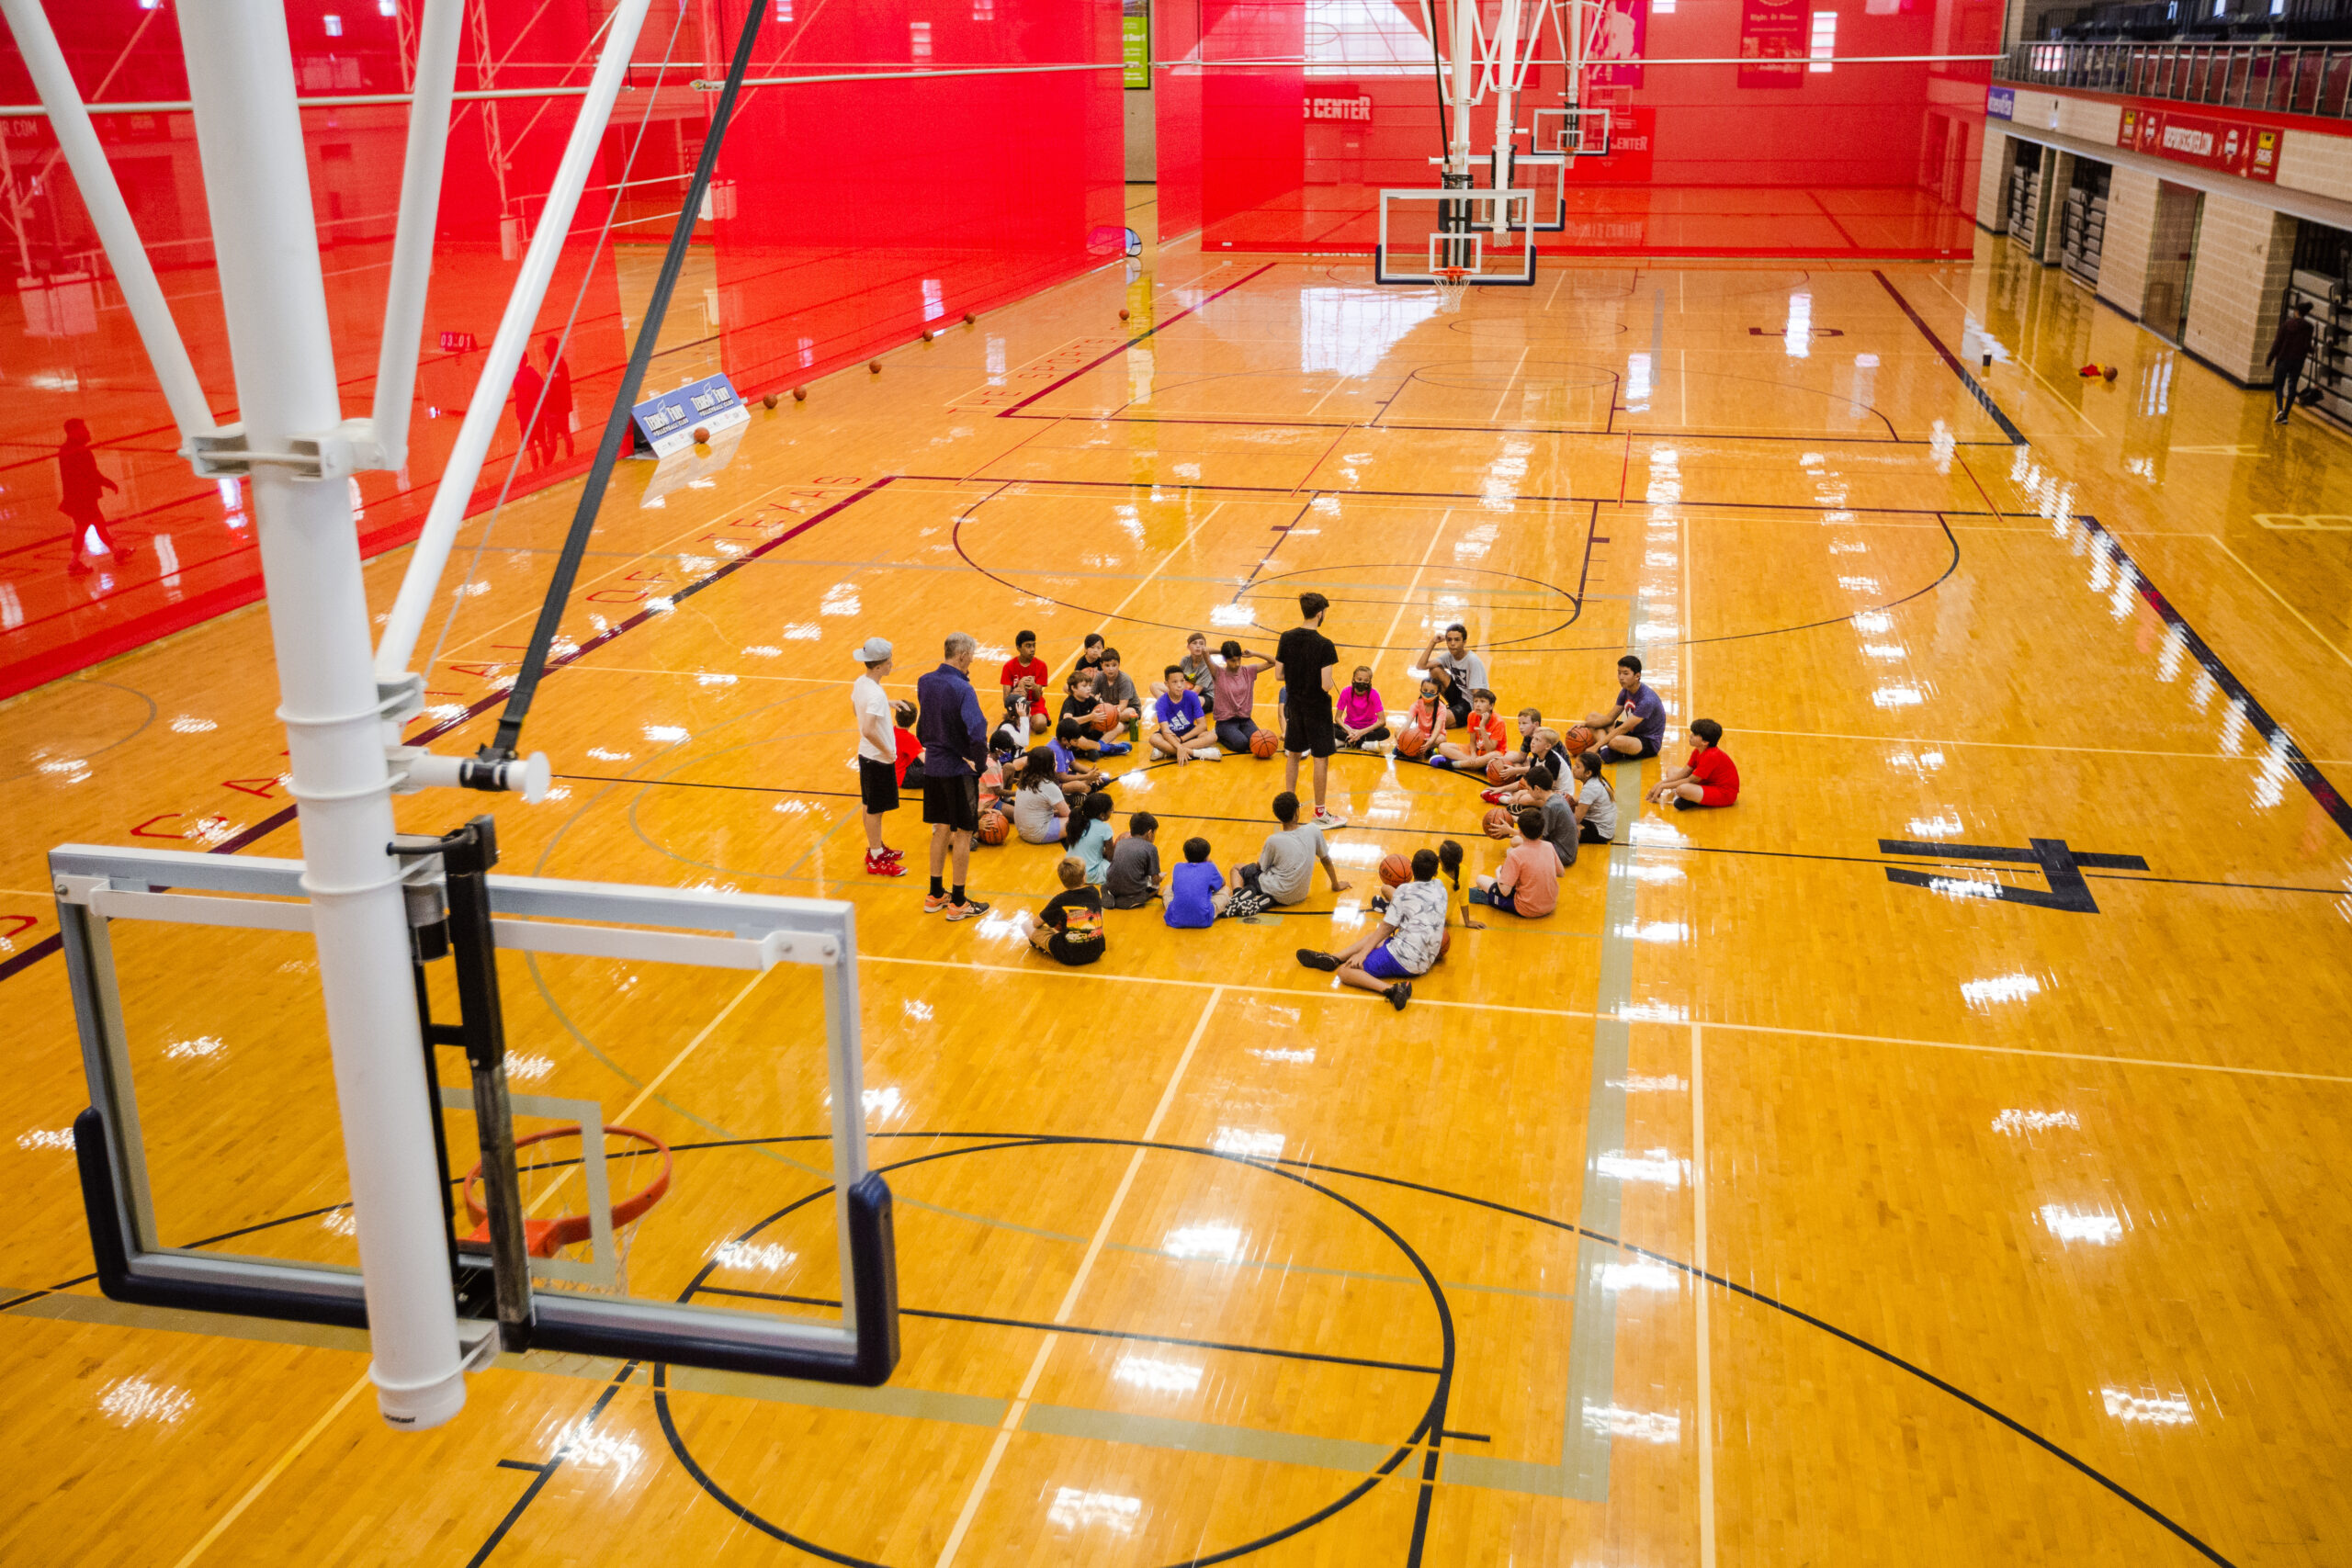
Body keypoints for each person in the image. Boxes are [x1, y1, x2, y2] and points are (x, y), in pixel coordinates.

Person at [1295, 846, 1448, 1010]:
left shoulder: (1404, 891)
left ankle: (1393, 990)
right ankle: (1334, 958)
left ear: (1411, 869)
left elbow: (1386, 927)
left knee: (1345, 972)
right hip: (1427, 958)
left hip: (1405, 959)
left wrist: (1362, 954)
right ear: (1436, 873)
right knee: (1374, 939)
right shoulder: (1440, 887)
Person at [915, 632, 992, 919]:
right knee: (963, 834)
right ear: (961, 656)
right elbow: (977, 729)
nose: (972, 661)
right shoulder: (963, 689)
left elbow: (924, 725)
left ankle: (935, 895)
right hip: (959, 770)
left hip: (933, 767)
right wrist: (981, 763)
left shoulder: (925, 681)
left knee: (940, 829)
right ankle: (958, 902)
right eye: (971, 656)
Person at [1276, 592, 1347, 829]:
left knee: (1293, 755)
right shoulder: (1324, 645)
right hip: (1317, 707)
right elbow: (1326, 684)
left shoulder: (1286, 638)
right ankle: (1320, 813)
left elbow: (1278, 675)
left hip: (1294, 705)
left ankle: (1289, 809)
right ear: (1320, 613)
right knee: (1320, 759)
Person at [1226, 790, 1350, 918]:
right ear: (1297, 812)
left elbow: (1260, 867)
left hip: (1278, 889)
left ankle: (1237, 898)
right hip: (1300, 895)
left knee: (1237, 868)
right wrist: (1335, 884)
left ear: (1277, 816)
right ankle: (1268, 899)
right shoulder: (1313, 830)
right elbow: (1326, 860)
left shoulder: (1273, 840)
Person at [850, 637, 905, 878]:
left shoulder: (862, 683)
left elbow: (856, 709)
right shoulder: (874, 695)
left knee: (868, 804)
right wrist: (887, 751)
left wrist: (887, 703)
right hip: (877, 757)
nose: (892, 663)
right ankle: (875, 856)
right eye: (889, 661)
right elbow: (869, 730)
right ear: (880, 666)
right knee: (876, 810)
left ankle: (877, 848)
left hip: (866, 754)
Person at [57, 420, 130, 576]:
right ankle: (74, 563)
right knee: (82, 529)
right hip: (82, 498)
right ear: (74, 432)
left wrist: (105, 482)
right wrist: (106, 482)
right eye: (83, 429)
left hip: (81, 497)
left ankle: (115, 551)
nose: (87, 432)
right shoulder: (76, 452)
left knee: (98, 524)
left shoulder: (68, 450)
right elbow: (89, 474)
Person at [1472, 809, 1560, 919]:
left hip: (1526, 909)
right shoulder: (1549, 846)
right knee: (1514, 880)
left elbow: (1504, 892)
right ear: (1541, 831)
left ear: (1520, 832)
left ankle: (1487, 897)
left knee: (1480, 879)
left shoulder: (1515, 854)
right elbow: (1561, 872)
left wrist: (1498, 874)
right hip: (1550, 904)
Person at [1583, 654, 1666, 763]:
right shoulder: (1625, 691)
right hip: (1632, 732)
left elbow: (1624, 728)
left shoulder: (1647, 700)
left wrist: (1596, 745)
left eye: (1625, 673)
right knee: (1592, 717)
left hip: (1647, 742)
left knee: (1615, 741)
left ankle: (1610, 749)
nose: (1621, 677)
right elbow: (1609, 719)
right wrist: (1584, 725)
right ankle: (1606, 752)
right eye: (1619, 673)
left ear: (1637, 676)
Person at [1027, 857, 1106, 966]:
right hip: (1097, 951)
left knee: (1026, 925)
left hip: (1070, 955)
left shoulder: (1059, 900)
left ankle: (1044, 944)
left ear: (1063, 881)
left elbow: (1036, 923)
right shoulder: (1094, 892)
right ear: (1084, 878)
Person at [1647, 718, 1740, 810]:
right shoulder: (1698, 751)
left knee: (1682, 789)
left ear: (1705, 742)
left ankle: (1687, 797)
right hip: (1708, 783)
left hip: (1724, 794)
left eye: (1695, 734)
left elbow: (1691, 781)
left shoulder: (1711, 756)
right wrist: (1661, 783)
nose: (1690, 736)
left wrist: (1663, 786)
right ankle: (1687, 798)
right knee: (1672, 770)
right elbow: (1684, 773)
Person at [1209, 639, 1275, 754]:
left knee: (1258, 742)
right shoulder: (1218, 673)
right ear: (1225, 659)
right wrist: (1224, 651)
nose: (1237, 663)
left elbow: (1273, 662)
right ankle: (1218, 733)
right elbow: (1205, 651)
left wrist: (1254, 653)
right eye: (1233, 660)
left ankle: (1233, 733)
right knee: (1242, 745)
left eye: (1239, 659)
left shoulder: (1248, 671)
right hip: (1225, 721)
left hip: (1245, 719)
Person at [1420, 624, 1488, 725]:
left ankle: (1459, 717)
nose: (1452, 643)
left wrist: (1477, 716)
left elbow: (1477, 693)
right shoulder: (1449, 656)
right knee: (1434, 670)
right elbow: (1421, 666)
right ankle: (1451, 710)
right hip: (1458, 696)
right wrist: (1433, 642)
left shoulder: (1472, 661)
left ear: (1464, 642)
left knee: (1435, 720)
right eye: (1449, 640)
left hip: (1470, 703)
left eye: (1457, 640)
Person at [1488, 725, 1566, 810]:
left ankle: (1505, 799)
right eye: (1533, 738)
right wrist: (1501, 789)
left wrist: (1526, 792)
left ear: (1547, 746)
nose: (1532, 742)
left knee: (1524, 798)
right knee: (1521, 792)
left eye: (1537, 740)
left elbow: (1549, 789)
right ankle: (1508, 797)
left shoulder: (1553, 761)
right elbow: (1524, 781)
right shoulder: (1537, 758)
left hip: (1562, 796)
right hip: (1547, 791)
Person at [1151, 666, 1220, 762]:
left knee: (1212, 736)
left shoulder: (1192, 696)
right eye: (1174, 682)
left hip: (1188, 733)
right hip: (1171, 736)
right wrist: (1178, 745)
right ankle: (1198, 753)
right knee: (1154, 739)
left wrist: (1181, 740)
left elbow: (1202, 725)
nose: (1179, 685)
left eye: (1182, 681)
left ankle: (1166, 752)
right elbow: (1165, 731)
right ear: (1166, 684)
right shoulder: (1161, 702)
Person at [1433, 688, 1508, 770]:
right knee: (1442, 747)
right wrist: (1473, 754)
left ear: (1491, 706)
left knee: (1495, 755)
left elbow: (1490, 749)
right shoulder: (1472, 715)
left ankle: (1454, 764)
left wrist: (1482, 727)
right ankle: (1478, 765)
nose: (1478, 705)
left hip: (1492, 753)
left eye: (1482, 701)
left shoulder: (1499, 722)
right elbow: (1472, 742)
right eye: (1476, 701)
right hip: (1477, 751)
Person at [1012, 746, 1072, 843]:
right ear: (1048, 766)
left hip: (1022, 831)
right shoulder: (1049, 786)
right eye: (1054, 761)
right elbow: (1068, 814)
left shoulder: (1025, 779)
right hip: (1038, 834)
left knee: (1059, 813)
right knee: (1079, 822)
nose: (1057, 763)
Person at [2269, 299, 2315, 423]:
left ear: (2296, 312)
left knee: (2279, 386)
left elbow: (2277, 343)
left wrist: (2270, 358)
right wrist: (2313, 350)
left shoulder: (2286, 325)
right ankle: (2286, 414)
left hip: (2283, 359)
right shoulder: (2309, 327)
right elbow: (2307, 346)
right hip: (2298, 361)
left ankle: (2279, 410)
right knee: (2292, 387)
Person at [1105, 810, 1163, 909]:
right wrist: (1161, 877)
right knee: (1156, 888)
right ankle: (1134, 899)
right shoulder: (1151, 848)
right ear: (1149, 833)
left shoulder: (1121, 842)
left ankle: (1111, 895)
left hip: (1112, 886)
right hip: (1134, 890)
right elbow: (1155, 880)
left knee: (1106, 885)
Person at [1000, 630, 1051, 735]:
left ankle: (1025, 719)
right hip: (1017, 705)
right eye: (1028, 646)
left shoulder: (1041, 666)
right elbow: (1006, 700)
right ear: (1018, 647)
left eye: (1033, 645)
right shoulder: (1008, 666)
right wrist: (1019, 690)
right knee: (1007, 731)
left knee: (1040, 725)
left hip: (1035, 703)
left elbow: (1037, 697)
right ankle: (1021, 718)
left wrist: (1034, 687)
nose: (1032, 649)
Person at [1165, 836, 1223, 927]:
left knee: (1167, 889)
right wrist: (1211, 862)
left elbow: (1174, 889)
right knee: (1225, 890)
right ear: (1207, 857)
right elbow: (1222, 883)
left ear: (1185, 855)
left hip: (1176, 918)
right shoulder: (1209, 867)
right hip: (1203, 919)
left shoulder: (1178, 866)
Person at [1333, 667, 1391, 752]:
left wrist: (1361, 733)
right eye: (1359, 679)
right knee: (1327, 726)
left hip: (1368, 729)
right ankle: (1363, 744)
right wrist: (1349, 731)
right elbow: (1337, 718)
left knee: (1385, 732)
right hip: (1350, 728)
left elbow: (1382, 721)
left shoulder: (1374, 694)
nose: (1362, 682)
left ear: (1370, 682)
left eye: (1366, 680)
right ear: (1353, 679)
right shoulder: (1346, 691)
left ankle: (1346, 741)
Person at [1048, 718, 1109, 797]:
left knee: (1103, 779)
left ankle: (1083, 791)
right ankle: (1077, 793)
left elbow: (1073, 764)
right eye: (1075, 741)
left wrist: (1092, 772)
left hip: (1062, 778)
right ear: (1064, 739)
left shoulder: (1066, 745)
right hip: (1054, 784)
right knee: (1079, 786)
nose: (1077, 744)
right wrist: (1087, 776)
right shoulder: (1056, 750)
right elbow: (1063, 778)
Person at [538, 334, 575, 462]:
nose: (544, 349)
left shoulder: (557, 364)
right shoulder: (553, 362)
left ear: (553, 348)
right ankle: (569, 460)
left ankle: (550, 466)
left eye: (547, 346)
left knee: (557, 439)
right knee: (564, 436)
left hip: (556, 410)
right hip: (558, 408)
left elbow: (556, 389)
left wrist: (547, 407)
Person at [1094, 649, 1145, 739]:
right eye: (1107, 665)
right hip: (1110, 710)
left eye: (1114, 665)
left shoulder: (1124, 680)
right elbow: (1090, 696)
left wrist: (1106, 714)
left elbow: (1123, 705)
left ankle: (1108, 723)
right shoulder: (1099, 677)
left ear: (1119, 665)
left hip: (1126, 710)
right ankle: (1112, 723)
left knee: (1130, 713)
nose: (1111, 669)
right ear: (1101, 665)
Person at [1568, 749, 1616, 843]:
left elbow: (1577, 819)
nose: (1573, 768)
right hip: (1600, 824)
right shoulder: (1597, 779)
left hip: (1601, 831)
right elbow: (1581, 800)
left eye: (1577, 767)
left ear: (1588, 773)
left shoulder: (1591, 788)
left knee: (1563, 832)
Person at [1069, 789, 1117, 883]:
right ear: (1102, 815)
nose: (1112, 812)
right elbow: (1111, 857)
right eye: (1111, 810)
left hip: (1070, 871)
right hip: (1089, 874)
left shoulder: (1078, 821)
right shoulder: (1105, 828)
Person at [1400, 678, 1451, 757]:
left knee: (1442, 739)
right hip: (1420, 736)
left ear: (1438, 694)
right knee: (1398, 732)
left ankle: (1422, 748)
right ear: (1421, 690)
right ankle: (1426, 749)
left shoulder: (1441, 708)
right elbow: (1408, 722)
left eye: (1432, 692)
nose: (1428, 693)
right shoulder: (1416, 704)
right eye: (1425, 690)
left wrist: (1431, 741)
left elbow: (1438, 727)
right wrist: (1400, 738)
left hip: (1435, 736)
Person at [514, 355, 548, 471]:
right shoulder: (534, 374)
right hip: (537, 414)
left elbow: (519, 399)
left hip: (525, 417)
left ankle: (535, 470)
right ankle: (548, 467)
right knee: (542, 442)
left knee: (530, 444)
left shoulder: (517, 379)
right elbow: (543, 388)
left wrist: (519, 414)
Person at [891, 701, 925, 794]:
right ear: (914, 721)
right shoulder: (909, 738)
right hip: (903, 776)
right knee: (938, 769)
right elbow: (928, 762)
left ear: (896, 717)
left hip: (896, 769)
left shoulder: (891, 730)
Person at [1177, 633, 1216, 701]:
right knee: (1155, 686)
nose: (1198, 646)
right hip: (1189, 689)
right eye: (1194, 643)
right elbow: (1178, 680)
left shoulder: (1208, 665)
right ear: (1188, 646)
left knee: (1194, 701)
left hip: (1207, 695)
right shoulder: (1185, 660)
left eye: (1201, 644)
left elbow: (1195, 692)